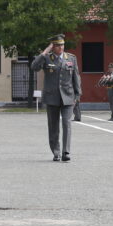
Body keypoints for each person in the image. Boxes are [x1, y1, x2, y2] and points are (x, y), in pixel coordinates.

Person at [30, 34, 81, 162]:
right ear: (52, 46)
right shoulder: (47, 58)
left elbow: (76, 77)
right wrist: (44, 52)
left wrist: (77, 95)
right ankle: (56, 152)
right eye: (57, 45)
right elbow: (34, 67)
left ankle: (66, 152)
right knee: (53, 126)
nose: (61, 47)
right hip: (52, 97)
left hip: (68, 97)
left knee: (66, 123)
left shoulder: (71, 58)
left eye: (62, 45)